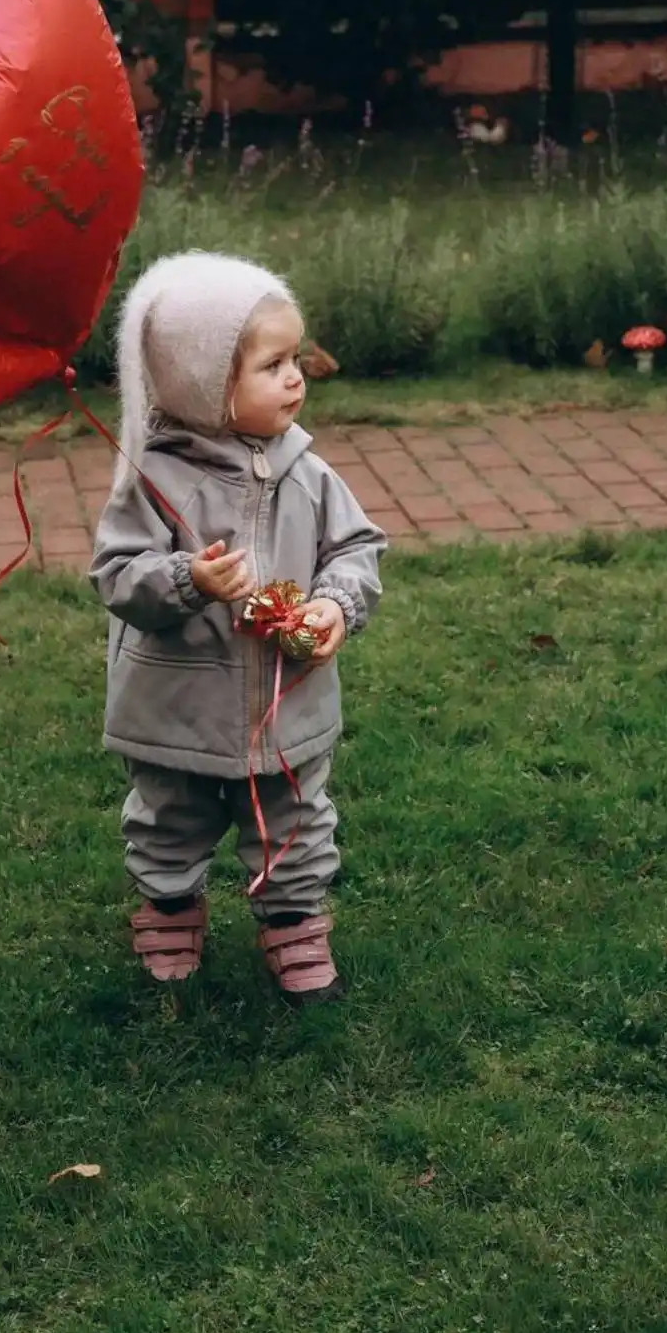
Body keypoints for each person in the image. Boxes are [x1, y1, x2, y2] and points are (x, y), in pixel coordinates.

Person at [89, 251, 387, 1004]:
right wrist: (188, 579)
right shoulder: (153, 479)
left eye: (297, 360)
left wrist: (334, 605)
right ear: (202, 379)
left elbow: (355, 548)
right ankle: (168, 909)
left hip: (285, 704)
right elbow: (117, 576)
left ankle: (293, 924)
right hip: (175, 708)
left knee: (294, 821)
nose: (297, 377)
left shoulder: (308, 474)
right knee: (168, 818)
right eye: (273, 364)